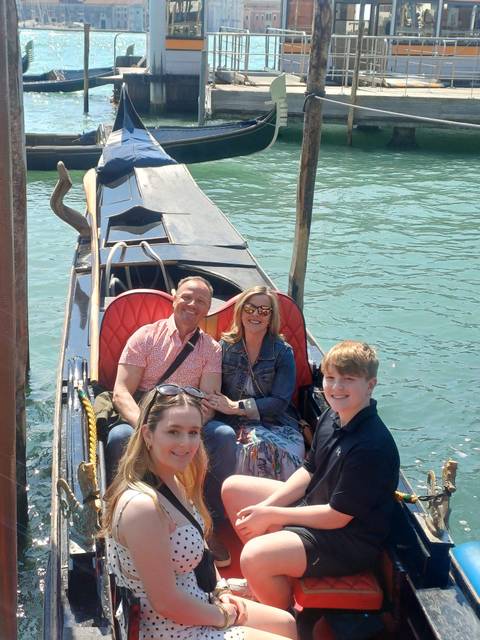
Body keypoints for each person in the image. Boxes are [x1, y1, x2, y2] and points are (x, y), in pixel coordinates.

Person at [103, 386, 297, 640]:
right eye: (173, 432)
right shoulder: (143, 507)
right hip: (171, 629)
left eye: (193, 432)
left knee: (286, 623)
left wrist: (221, 589)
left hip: (199, 602)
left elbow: (202, 551)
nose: (186, 443)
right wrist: (224, 615)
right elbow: (167, 603)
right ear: (148, 434)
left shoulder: (175, 481)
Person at [221, 341, 400, 610]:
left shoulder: (371, 446)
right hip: (317, 506)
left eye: (348, 379)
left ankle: (281, 616)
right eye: (330, 378)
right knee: (234, 489)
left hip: (347, 541)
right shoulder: (333, 415)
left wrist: (272, 515)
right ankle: (267, 582)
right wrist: (266, 507)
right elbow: (310, 469)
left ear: (370, 384)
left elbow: (337, 517)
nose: (336, 388)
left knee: (253, 556)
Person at [105, 274, 235, 565]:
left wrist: (185, 428)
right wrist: (147, 427)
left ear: (207, 310)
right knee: (118, 438)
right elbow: (121, 392)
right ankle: (121, 516)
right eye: (187, 297)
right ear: (174, 297)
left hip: (188, 419)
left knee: (223, 436)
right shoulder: (145, 336)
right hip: (144, 416)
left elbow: (209, 400)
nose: (192, 304)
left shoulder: (211, 349)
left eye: (200, 301)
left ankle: (208, 523)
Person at [202, 287, 304, 548]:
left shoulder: (282, 351)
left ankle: (273, 521)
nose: (256, 314)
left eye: (263, 310)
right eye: (250, 308)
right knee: (234, 445)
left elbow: (280, 403)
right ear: (241, 312)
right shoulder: (225, 347)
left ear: (271, 317)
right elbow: (215, 390)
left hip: (276, 423)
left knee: (265, 449)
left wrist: (236, 407)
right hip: (233, 423)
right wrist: (224, 408)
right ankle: (234, 519)